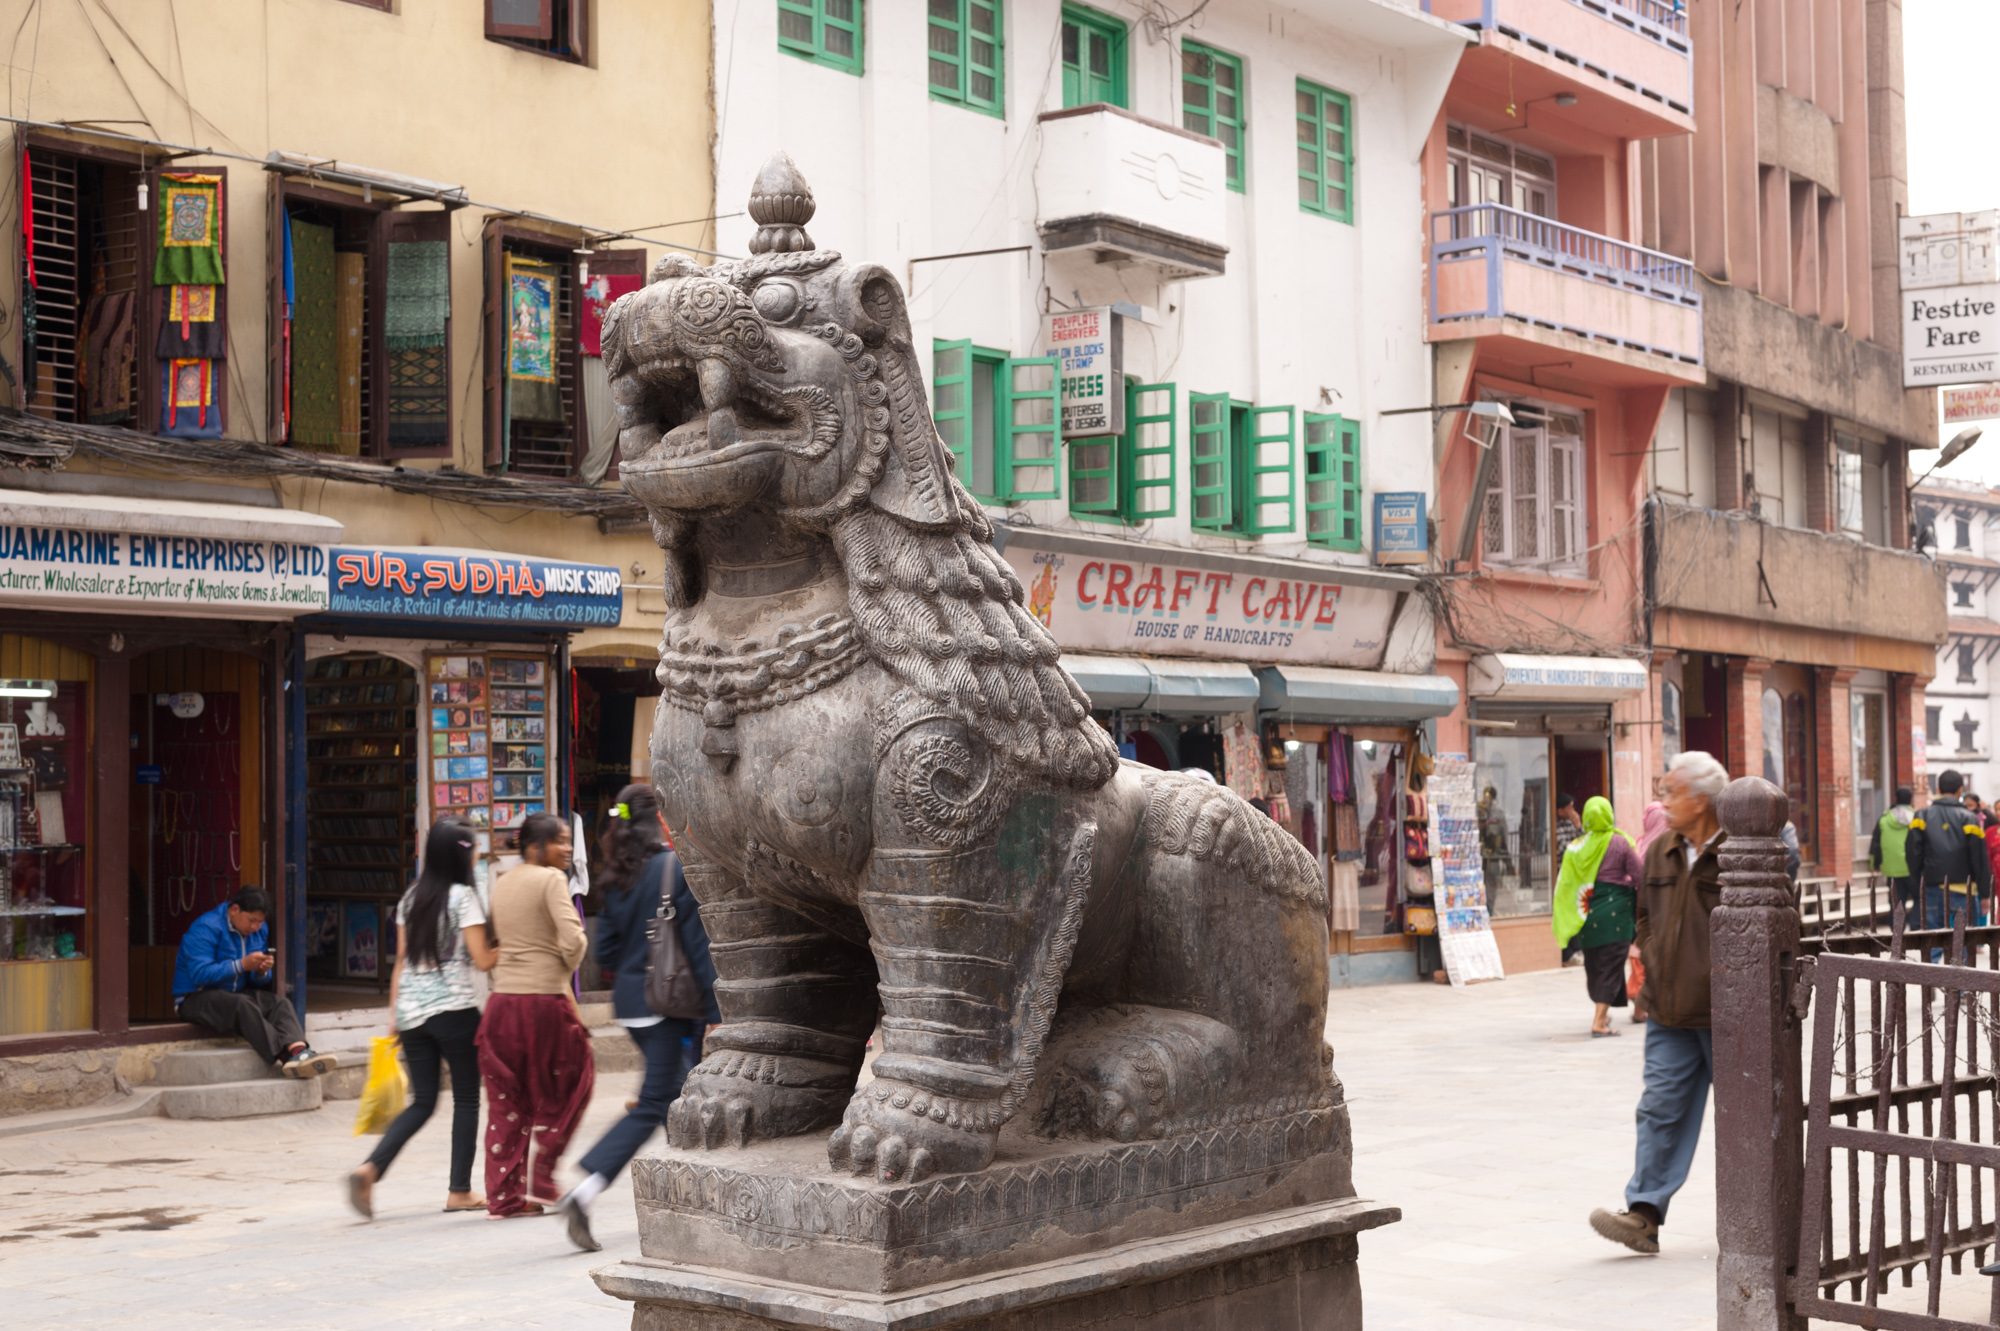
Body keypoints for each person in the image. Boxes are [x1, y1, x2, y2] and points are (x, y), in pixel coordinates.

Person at [556, 785, 719, 1253]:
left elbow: (603, 952)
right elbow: (695, 945)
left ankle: (690, 1197)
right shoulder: (672, 867)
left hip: (631, 1004)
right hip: (667, 1005)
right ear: (660, 819)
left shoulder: (615, 874)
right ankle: (585, 1189)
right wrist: (716, 1011)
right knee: (655, 1102)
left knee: (679, 1093)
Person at [1590, 750, 1729, 1255]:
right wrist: (1651, 953)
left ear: (1702, 798)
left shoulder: (1743, 848)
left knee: (1745, 1120)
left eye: (1671, 792)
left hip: (1728, 1012)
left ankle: (1764, 1219)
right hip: (1669, 1008)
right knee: (1659, 1109)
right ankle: (1644, 1214)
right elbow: (1644, 914)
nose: (1662, 801)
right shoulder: (1661, 848)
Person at [347, 817, 497, 1220]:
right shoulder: (463, 898)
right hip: (454, 1011)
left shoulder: (411, 897)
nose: (480, 854)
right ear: (463, 856)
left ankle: (370, 1167)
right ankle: (459, 1191)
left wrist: (394, 1017)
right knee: (467, 1099)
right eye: (475, 849)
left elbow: (401, 964)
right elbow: (483, 960)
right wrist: (519, 948)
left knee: (423, 1101)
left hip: (412, 1014)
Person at [477, 812, 596, 1218]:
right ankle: (543, 1175)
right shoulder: (550, 881)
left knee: (508, 1102)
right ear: (535, 847)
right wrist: (562, 968)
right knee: (576, 1082)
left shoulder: (503, 882)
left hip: (500, 1007)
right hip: (544, 1003)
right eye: (560, 841)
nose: (566, 849)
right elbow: (574, 939)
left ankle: (504, 1196)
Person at [174, 886, 335, 1079]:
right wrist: (241, 965)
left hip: (234, 995)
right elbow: (199, 974)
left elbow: (256, 980)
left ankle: (299, 1050)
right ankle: (287, 1056)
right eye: (252, 920)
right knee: (242, 1005)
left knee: (280, 1003)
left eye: (260, 922)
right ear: (234, 910)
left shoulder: (259, 931)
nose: (255, 927)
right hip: (194, 998)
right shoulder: (205, 928)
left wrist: (261, 971)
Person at [1552, 797, 1642, 1038]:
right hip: (1616, 916)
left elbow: (1567, 882)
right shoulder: (1620, 843)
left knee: (1594, 964)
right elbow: (1640, 875)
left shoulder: (1577, 847)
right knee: (1612, 966)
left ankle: (1601, 1010)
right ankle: (1599, 1022)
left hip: (1588, 915)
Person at [1907, 768, 1992, 949]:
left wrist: (1918, 882)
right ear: (1960, 790)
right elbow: (1979, 859)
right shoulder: (1969, 819)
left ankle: (1933, 977)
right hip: (1963, 890)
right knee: (1962, 944)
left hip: (1931, 888)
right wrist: (1985, 893)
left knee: (1933, 944)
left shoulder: (1921, 816)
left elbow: (1913, 853)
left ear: (1938, 788)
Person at [1869, 786, 1917, 924]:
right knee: (1920, 900)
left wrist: (1875, 865)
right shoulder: (1916, 818)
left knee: (1896, 904)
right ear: (1910, 800)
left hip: (1891, 869)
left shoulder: (1884, 819)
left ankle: (1897, 936)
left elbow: (1875, 843)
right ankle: (1916, 927)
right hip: (1912, 868)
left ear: (1895, 799)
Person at [1553, 794, 1585, 964]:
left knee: (1575, 911)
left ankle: (1578, 949)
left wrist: (1578, 826)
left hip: (1574, 877)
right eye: (1569, 808)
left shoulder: (1572, 825)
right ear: (1560, 810)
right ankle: (1567, 953)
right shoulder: (1555, 827)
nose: (1573, 811)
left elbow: (1585, 845)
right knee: (1564, 914)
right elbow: (1566, 851)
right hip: (1561, 876)